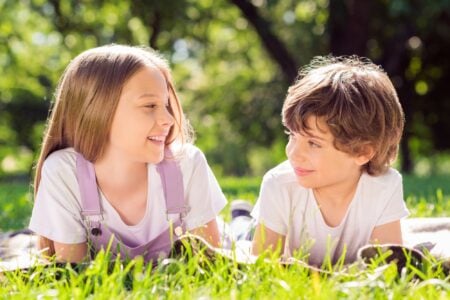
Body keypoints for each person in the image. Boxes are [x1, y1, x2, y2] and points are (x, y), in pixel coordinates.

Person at [29, 44, 227, 264]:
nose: (169, 119)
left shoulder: (187, 163)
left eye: (166, 105)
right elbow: (74, 274)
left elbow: (209, 265)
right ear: (97, 110)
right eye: (150, 105)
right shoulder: (64, 171)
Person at [250, 55, 409, 266]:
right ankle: (242, 217)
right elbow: (261, 266)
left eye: (314, 143)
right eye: (292, 136)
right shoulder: (279, 184)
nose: (293, 153)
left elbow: (388, 267)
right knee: (242, 232)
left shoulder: (384, 186)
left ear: (362, 151)